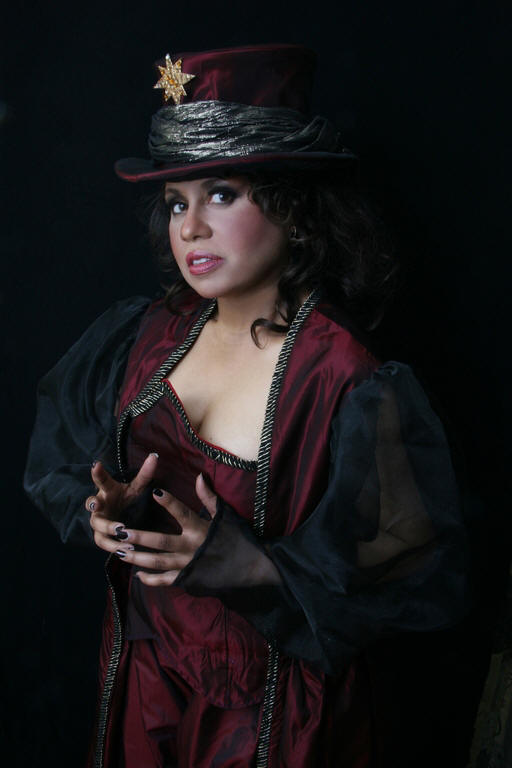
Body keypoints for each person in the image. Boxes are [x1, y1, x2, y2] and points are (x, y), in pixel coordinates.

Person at [24, 44, 467, 768]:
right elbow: (70, 462)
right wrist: (105, 511)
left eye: (222, 194)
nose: (190, 227)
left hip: (277, 717)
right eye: (177, 202)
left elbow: (413, 569)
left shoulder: (345, 377)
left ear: (295, 209)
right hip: (148, 687)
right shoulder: (146, 335)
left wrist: (260, 566)